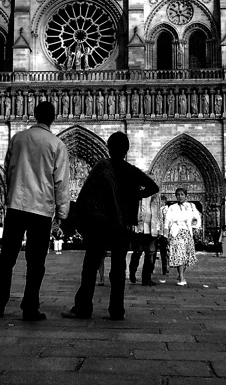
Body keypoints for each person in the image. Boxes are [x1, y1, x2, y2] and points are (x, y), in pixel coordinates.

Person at [63, 131, 160, 320]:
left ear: (108, 147)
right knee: (118, 269)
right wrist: (134, 194)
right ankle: (117, 311)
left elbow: (86, 196)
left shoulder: (102, 166)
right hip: (122, 226)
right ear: (126, 150)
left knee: (90, 267)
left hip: (100, 225)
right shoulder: (130, 170)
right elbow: (153, 187)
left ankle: (83, 308)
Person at [0, 100, 70, 322]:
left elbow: (8, 169)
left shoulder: (18, 138)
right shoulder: (57, 145)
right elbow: (61, 182)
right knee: (36, 262)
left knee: (7, 259)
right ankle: (30, 307)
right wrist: (62, 214)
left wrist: (12, 192)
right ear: (53, 118)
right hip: (41, 209)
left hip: (17, 204)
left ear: (35, 115)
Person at [163, 187, 201, 286]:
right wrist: (166, 234)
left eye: (182, 194)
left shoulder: (191, 206)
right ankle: (182, 278)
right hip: (176, 232)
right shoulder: (172, 207)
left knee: (186, 256)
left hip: (187, 232)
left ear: (185, 195)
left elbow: (197, 218)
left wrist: (195, 227)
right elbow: (167, 221)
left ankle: (181, 273)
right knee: (179, 254)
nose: (180, 196)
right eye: (178, 195)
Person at [128, 185, 163, 287]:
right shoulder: (137, 196)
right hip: (140, 229)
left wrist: (159, 229)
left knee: (151, 254)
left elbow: (159, 214)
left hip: (152, 230)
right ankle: (132, 270)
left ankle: (146, 278)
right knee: (138, 252)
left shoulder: (156, 196)